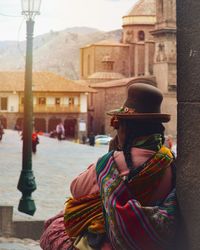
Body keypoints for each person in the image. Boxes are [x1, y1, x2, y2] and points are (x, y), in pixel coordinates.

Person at [40, 83, 177, 250]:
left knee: (54, 227)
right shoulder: (169, 162)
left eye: (118, 125)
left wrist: (110, 156)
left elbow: (76, 189)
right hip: (151, 241)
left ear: (126, 129)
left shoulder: (110, 164)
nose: (116, 130)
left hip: (111, 243)